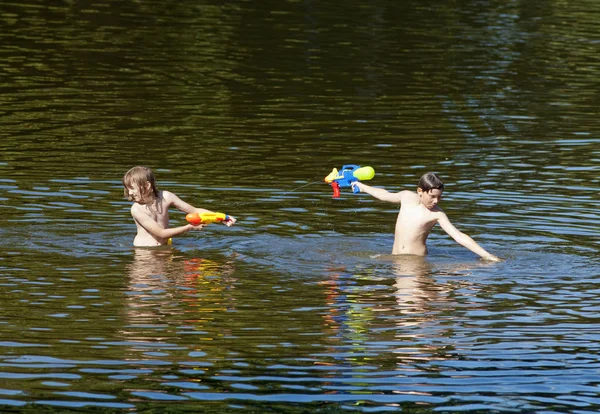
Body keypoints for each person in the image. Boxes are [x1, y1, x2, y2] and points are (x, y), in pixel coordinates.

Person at [352, 172, 500, 261]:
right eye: (432, 196)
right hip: (396, 258)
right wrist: (362, 186)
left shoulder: (436, 214)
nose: (436, 201)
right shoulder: (406, 197)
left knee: (411, 302)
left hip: (416, 263)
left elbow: (459, 236)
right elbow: (384, 195)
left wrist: (487, 256)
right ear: (420, 191)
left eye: (439, 197)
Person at [122, 166, 236, 247]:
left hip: (165, 247)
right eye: (128, 189)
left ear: (147, 185)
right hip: (144, 253)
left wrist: (222, 217)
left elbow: (194, 210)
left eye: (132, 188)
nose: (130, 192)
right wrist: (189, 227)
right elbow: (161, 233)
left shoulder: (166, 197)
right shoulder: (136, 209)